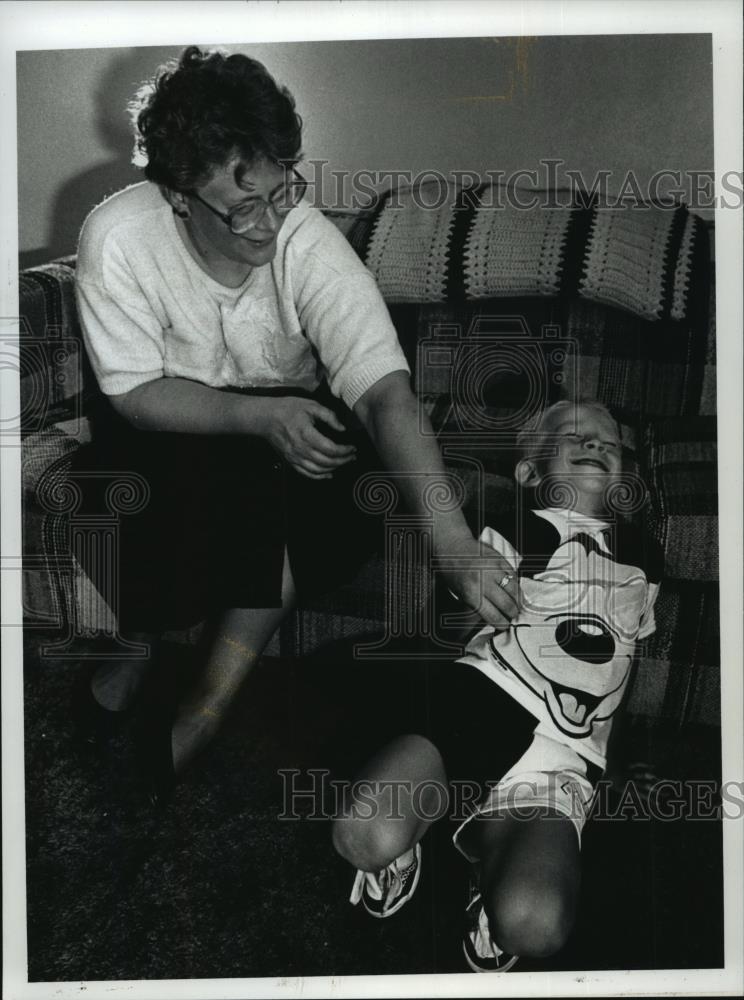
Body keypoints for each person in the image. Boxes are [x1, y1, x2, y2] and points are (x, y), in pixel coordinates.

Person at [70, 45, 518, 804]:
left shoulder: (307, 243)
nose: (269, 223)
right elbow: (133, 393)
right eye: (243, 207)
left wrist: (454, 545)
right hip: (170, 426)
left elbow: (384, 398)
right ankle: (137, 647)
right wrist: (255, 417)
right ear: (178, 196)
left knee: (329, 481)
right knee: (109, 487)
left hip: (296, 441)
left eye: (282, 190)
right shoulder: (116, 237)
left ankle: (204, 708)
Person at [331, 399, 663, 972]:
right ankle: (412, 831)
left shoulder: (644, 558)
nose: (597, 446)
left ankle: (493, 861)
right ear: (530, 473)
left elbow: (624, 663)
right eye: (574, 437)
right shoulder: (513, 524)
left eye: (610, 443)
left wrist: (620, 752)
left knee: (534, 926)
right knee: (363, 835)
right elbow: (460, 622)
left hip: (566, 757)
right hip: (484, 702)